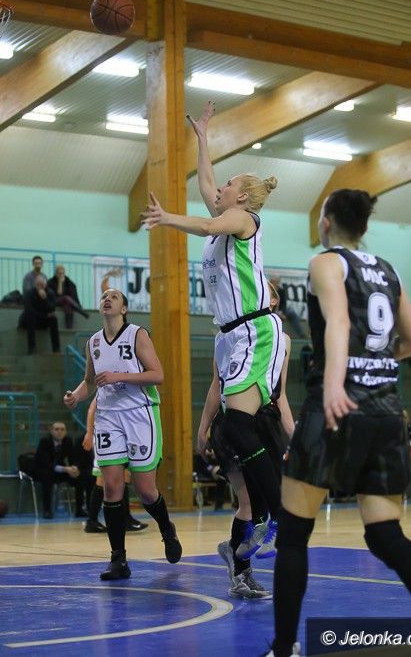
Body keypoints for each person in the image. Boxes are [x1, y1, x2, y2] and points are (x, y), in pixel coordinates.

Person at [267, 189, 411, 657]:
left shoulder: (326, 262)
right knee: (385, 535)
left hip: (335, 407)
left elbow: (338, 321)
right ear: (365, 226)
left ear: (327, 222)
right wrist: (373, 364)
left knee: (293, 535)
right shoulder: (389, 270)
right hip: (385, 412)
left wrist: (337, 382)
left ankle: (283, 648)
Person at [142, 100, 286, 551]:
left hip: (254, 329)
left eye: (229, 184)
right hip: (230, 334)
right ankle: (261, 516)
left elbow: (206, 225)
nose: (220, 187)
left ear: (242, 197)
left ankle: (278, 515)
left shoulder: (243, 218)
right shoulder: (227, 217)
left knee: (241, 428)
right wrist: (203, 139)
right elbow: (205, 184)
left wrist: (167, 218)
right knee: (234, 432)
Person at [64, 288, 182, 580]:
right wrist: (76, 396)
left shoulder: (137, 334)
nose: (107, 299)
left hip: (140, 414)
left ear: (124, 308)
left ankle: (167, 529)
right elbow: (90, 381)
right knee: (111, 487)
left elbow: (157, 375)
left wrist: (119, 377)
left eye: (114, 297)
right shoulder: (93, 342)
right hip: (108, 417)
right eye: (104, 296)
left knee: (145, 490)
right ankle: (118, 559)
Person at [198, 281, 294, 599]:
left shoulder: (281, 338)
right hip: (235, 422)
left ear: (274, 301)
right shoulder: (226, 336)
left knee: (262, 502)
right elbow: (216, 386)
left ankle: (233, 549)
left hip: (266, 422)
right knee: (248, 502)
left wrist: (292, 435)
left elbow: (281, 394)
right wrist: (203, 428)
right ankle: (241, 573)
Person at [80, 397, 148, 533]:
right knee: (102, 480)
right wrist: (89, 433)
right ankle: (92, 521)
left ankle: (125, 518)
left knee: (125, 476)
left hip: (119, 435)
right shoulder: (105, 390)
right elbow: (92, 409)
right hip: (105, 436)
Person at [34, 421, 88, 519]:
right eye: (57, 429)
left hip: (61, 470)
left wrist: (75, 468)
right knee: (47, 477)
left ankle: (79, 510)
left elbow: (73, 458)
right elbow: (46, 462)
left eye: (62, 429)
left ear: (65, 431)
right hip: (44, 469)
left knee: (79, 477)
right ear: (51, 431)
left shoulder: (68, 440)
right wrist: (66, 469)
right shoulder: (45, 441)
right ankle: (47, 510)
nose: (59, 432)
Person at [19, 275, 60, 354]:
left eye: (42, 285)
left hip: (42, 320)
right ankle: (32, 348)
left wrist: (45, 299)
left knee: (53, 319)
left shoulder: (50, 293)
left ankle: (56, 348)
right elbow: (29, 310)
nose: (40, 287)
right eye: (38, 285)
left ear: (45, 285)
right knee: (31, 316)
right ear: (35, 285)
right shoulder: (30, 293)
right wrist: (45, 316)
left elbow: (52, 309)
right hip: (27, 320)